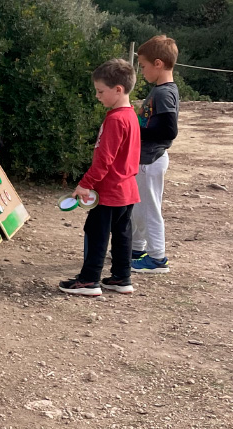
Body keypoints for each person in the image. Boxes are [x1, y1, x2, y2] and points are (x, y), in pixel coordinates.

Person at [59, 59, 141, 297]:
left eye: (100, 91)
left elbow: (104, 159)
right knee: (123, 234)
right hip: (127, 190)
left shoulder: (115, 119)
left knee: (96, 232)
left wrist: (85, 184)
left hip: (109, 192)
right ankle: (121, 277)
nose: (97, 95)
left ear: (118, 89)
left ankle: (88, 280)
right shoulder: (131, 116)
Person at [131, 36, 180, 274]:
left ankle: (157, 258)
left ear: (158, 63)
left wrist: (134, 128)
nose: (142, 71)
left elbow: (169, 130)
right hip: (146, 160)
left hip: (150, 160)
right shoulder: (161, 90)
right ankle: (136, 249)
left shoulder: (163, 93)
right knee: (139, 207)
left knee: (150, 209)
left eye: (143, 66)